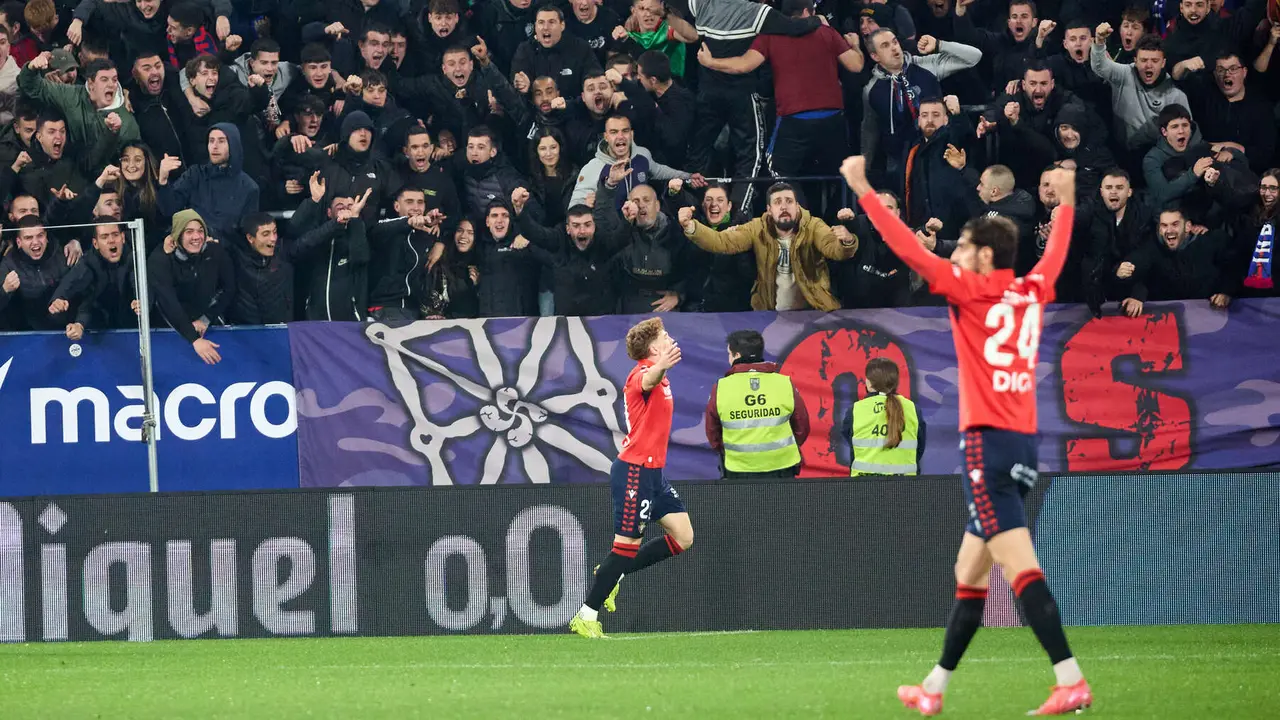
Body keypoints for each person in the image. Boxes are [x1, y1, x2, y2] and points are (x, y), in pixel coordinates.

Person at [840, 154, 1092, 716]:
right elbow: (1056, 251)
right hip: (1021, 443)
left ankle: (1069, 678)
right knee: (968, 572)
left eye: (962, 247)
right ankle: (933, 688)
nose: (953, 254)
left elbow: (906, 247)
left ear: (982, 256)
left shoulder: (968, 289)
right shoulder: (1032, 289)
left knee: (1020, 567)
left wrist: (861, 187)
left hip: (987, 444)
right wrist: (1068, 199)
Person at [570, 317, 692, 639]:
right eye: (664, 336)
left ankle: (613, 574)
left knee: (683, 536)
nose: (670, 338)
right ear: (653, 349)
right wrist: (660, 366)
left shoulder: (659, 377)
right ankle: (586, 615)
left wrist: (662, 368)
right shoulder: (640, 374)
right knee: (625, 547)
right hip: (634, 471)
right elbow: (649, 379)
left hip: (654, 474)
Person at [680, 182, 858, 311]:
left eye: (789, 201)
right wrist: (690, 226)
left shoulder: (814, 225)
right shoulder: (757, 227)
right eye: (777, 202)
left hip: (812, 312)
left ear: (797, 206)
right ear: (769, 209)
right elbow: (722, 242)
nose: (784, 207)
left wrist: (847, 241)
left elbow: (834, 249)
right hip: (769, 314)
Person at [704, 329, 810, 479]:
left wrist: (731, 452)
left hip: (739, 469)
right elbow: (802, 425)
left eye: (729, 354)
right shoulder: (784, 383)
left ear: (737, 355)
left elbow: (712, 432)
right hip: (782, 467)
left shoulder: (721, 387)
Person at [844, 356, 925, 476]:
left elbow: (852, 446)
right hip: (906, 485)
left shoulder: (855, 410)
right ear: (895, 383)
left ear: (869, 383)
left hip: (864, 484)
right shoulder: (913, 409)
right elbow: (919, 448)